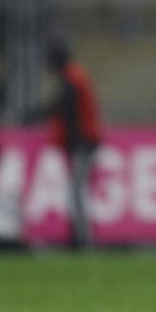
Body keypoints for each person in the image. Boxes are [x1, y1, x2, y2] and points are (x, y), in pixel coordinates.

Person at [44, 40, 102, 249]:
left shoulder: (73, 78)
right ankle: (79, 236)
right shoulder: (76, 75)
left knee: (77, 191)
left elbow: (63, 106)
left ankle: (83, 239)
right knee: (76, 190)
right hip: (84, 142)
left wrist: (41, 113)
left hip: (84, 144)